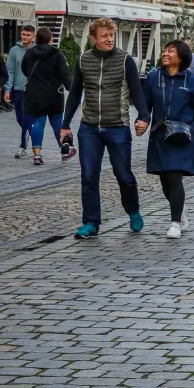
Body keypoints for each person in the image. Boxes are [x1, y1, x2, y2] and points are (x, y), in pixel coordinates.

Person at [60, 18, 151, 239]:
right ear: (94, 38)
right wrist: (65, 124)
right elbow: (74, 94)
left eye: (112, 35)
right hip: (89, 127)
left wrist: (144, 116)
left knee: (124, 175)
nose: (110, 39)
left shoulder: (125, 60)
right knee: (89, 176)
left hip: (117, 126)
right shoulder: (84, 60)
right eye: (105, 36)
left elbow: (136, 90)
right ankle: (91, 223)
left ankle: (133, 210)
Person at [141, 40, 194, 239]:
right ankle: (180, 209)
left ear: (181, 57)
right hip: (159, 135)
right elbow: (144, 106)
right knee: (165, 182)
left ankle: (175, 223)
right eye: (165, 50)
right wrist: (143, 120)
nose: (165, 53)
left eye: (170, 51)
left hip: (182, 137)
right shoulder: (153, 78)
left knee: (174, 177)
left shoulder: (190, 81)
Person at [22, 27, 76, 165]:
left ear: (37, 38)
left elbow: (25, 70)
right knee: (57, 122)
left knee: (38, 123)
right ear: (51, 39)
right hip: (54, 94)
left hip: (35, 94)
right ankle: (64, 149)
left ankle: (37, 155)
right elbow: (65, 74)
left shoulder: (29, 53)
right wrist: (73, 90)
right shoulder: (57, 54)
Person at [4, 24, 36, 158]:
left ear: (33, 35)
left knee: (25, 117)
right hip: (18, 89)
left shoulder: (37, 50)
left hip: (32, 90)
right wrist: (7, 89)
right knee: (19, 118)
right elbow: (10, 71)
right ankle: (34, 133)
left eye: (28, 35)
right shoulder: (14, 51)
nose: (25, 37)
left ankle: (23, 147)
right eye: (23, 34)